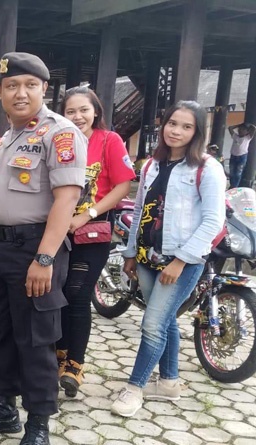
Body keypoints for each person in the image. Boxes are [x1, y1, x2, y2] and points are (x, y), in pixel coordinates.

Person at [0, 52, 87, 445]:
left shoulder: (60, 133)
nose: (21, 93)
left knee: (35, 340)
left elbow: (67, 199)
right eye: (12, 86)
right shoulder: (7, 138)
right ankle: (4, 410)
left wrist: (45, 258)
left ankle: (38, 425)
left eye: (30, 85)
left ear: (44, 89)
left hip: (35, 249)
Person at [112, 101, 226, 417]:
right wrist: (131, 253)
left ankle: (134, 387)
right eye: (172, 123)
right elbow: (139, 211)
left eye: (187, 126)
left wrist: (181, 261)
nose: (176, 131)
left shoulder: (207, 168)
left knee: (152, 324)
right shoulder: (152, 164)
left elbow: (213, 220)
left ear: (197, 132)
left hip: (182, 261)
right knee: (164, 320)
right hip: (147, 257)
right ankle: (169, 383)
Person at [55, 86, 136, 397]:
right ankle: (59, 353)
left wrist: (86, 214)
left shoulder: (108, 140)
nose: (77, 116)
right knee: (57, 292)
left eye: (83, 110)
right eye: (70, 111)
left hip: (91, 232)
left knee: (77, 294)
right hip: (57, 231)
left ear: (96, 112)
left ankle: (74, 364)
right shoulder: (58, 140)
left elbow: (123, 186)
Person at [227, 122, 255, 188]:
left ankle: (235, 186)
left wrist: (249, 125)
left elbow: (254, 128)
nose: (240, 130)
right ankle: (232, 185)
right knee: (232, 171)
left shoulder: (247, 138)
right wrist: (238, 125)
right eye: (240, 129)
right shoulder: (235, 136)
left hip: (242, 157)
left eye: (243, 129)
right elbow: (230, 128)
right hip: (233, 156)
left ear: (247, 132)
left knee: (238, 173)